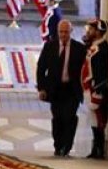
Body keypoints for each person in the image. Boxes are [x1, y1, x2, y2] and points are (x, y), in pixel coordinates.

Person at [36, 20, 86, 157]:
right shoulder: (49, 46)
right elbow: (41, 68)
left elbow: (85, 70)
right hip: (55, 90)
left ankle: (67, 147)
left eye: (66, 32)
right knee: (57, 118)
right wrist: (41, 88)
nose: (63, 35)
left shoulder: (79, 49)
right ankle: (58, 145)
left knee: (69, 118)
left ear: (71, 31)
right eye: (61, 32)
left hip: (72, 90)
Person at [82, 19, 108, 160]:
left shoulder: (102, 48)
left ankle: (100, 148)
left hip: (96, 89)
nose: (88, 31)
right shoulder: (93, 45)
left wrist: (98, 93)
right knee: (93, 120)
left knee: (99, 120)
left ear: (99, 32)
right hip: (89, 88)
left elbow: (101, 72)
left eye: (91, 29)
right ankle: (95, 148)